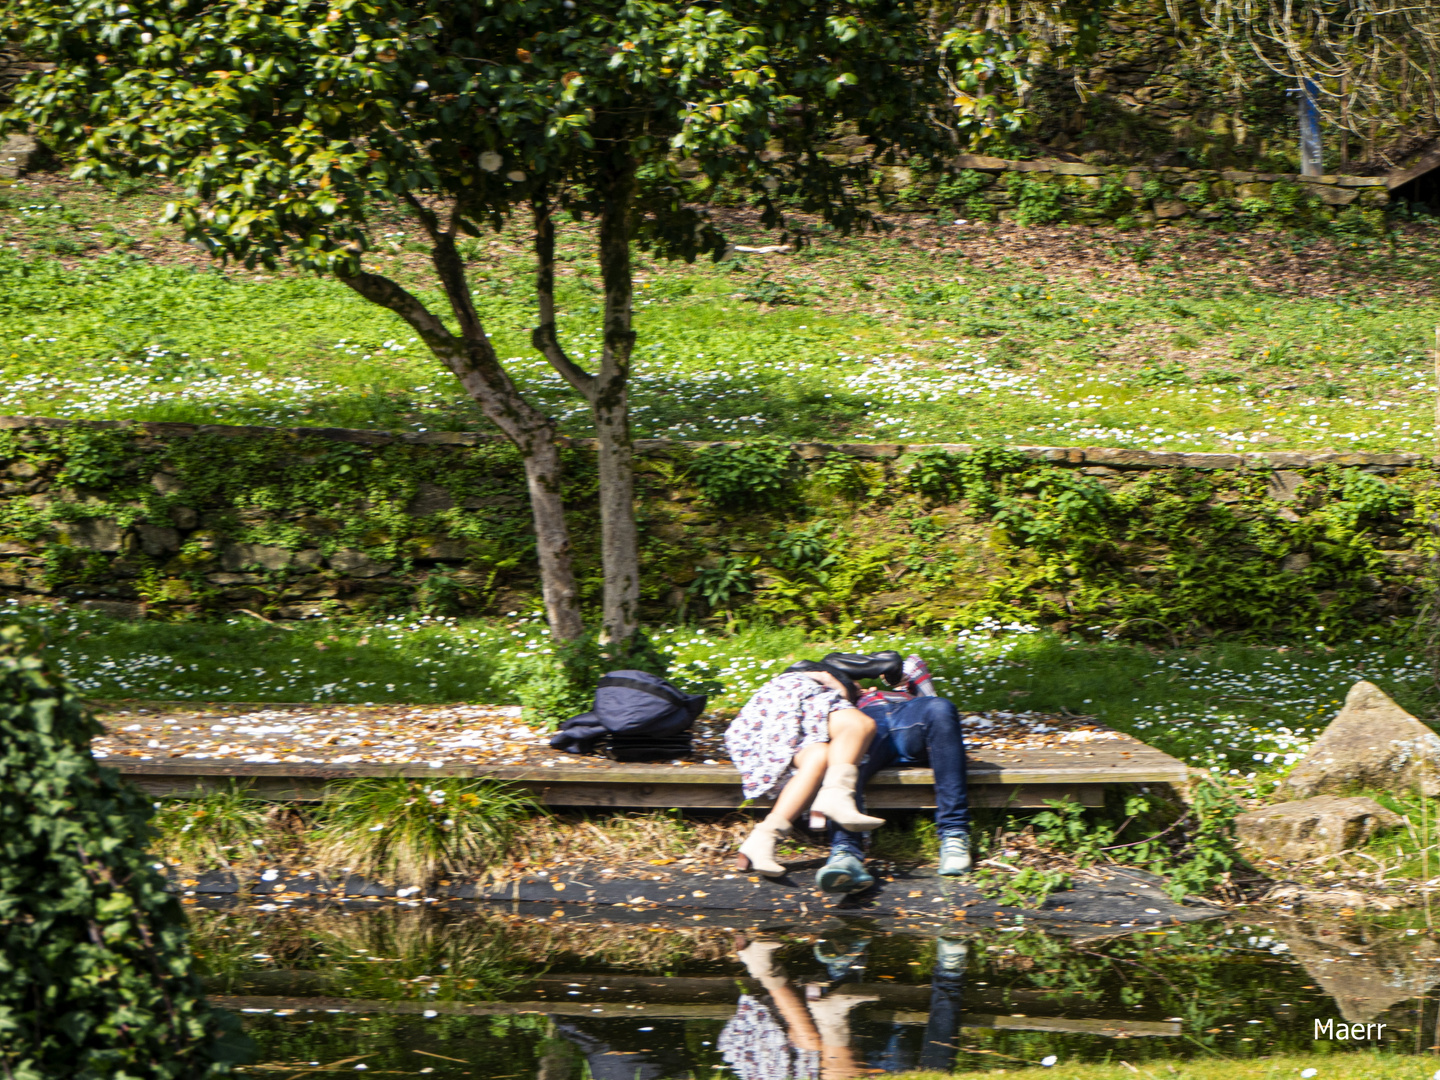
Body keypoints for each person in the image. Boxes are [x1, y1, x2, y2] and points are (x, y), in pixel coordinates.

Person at [814, 653, 972, 894]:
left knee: (941, 708)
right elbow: (823, 673)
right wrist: (845, 689)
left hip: (911, 715)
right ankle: (845, 854)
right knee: (842, 750)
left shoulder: (904, 687)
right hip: (865, 724)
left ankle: (954, 836)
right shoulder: (842, 703)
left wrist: (889, 673)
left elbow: (913, 669)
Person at [725, 660, 886, 877]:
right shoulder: (825, 671)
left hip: (773, 720)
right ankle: (835, 797)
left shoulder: (824, 712)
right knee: (859, 724)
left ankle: (763, 838)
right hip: (794, 693)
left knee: (819, 758)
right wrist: (841, 686)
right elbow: (885, 660)